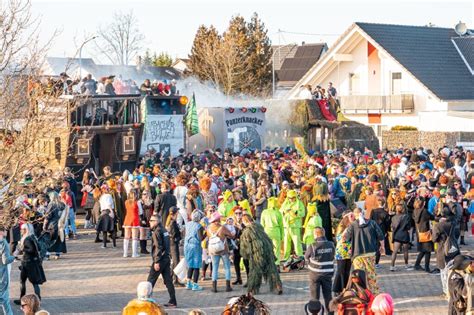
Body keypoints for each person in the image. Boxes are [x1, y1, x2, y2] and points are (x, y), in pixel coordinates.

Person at [240, 213, 283, 295]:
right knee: (272, 269)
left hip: (257, 253)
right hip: (268, 250)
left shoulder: (247, 231)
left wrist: (245, 255)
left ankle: (252, 290)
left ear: (244, 221)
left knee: (255, 271)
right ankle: (278, 287)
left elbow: (244, 247)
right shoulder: (259, 226)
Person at [344, 207, 384, 294]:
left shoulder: (353, 225)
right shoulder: (372, 223)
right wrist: (382, 247)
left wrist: (350, 223)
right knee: (371, 274)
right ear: (363, 213)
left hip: (357, 254)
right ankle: (374, 293)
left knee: (359, 275)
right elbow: (380, 235)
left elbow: (346, 238)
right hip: (371, 253)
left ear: (354, 215)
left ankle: (361, 293)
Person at [146, 215, 177, 308]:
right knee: (168, 281)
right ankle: (173, 301)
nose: (149, 222)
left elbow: (158, 247)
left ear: (156, 221)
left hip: (160, 259)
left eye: (151, 220)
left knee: (150, 280)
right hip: (166, 258)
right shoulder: (164, 230)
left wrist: (156, 261)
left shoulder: (157, 232)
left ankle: (145, 300)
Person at [433, 205, 461, 299]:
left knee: (443, 272)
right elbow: (457, 234)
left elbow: (434, 239)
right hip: (453, 248)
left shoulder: (438, 225)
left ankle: (446, 292)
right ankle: (453, 289)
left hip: (442, 250)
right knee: (453, 270)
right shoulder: (453, 223)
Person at [305, 227, 335, 314]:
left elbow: (306, 257)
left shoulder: (312, 245)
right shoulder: (331, 244)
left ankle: (315, 312)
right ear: (324, 234)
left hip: (315, 274)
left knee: (315, 297)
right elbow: (333, 255)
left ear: (316, 234)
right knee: (328, 296)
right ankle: (330, 313)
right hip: (328, 274)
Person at [14, 224, 46, 304]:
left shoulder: (27, 239)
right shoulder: (33, 237)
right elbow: (38, 248)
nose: (21, 230)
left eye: (22, 229)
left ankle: (24, 299)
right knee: (32, 282)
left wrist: (22, 248)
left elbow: (32, 250)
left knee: (24, 281)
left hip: (28, 263)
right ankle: (37, 299)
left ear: (26, 230)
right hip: (32, 263)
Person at [207, 211, 234, 293]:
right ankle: (227, 286)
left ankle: (214, 287)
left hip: (213, 250)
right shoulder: (222, 228)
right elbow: (231, 235)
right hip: (223, 250)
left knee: (215, 268)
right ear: (218, 219)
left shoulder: (208, 228)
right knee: (227, 267)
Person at [333, 211, 354, 295]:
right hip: (341, 251)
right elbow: (340, 239)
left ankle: (345, 287)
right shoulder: (341, 227)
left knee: (347, 271)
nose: (353, 218)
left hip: (349, 251)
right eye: (351, 217)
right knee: (340, 271)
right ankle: (336, 289)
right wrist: (347, 230)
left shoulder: (351, 226)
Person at [280, 190, 306, 261]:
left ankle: (300, 257)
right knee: (286, 243)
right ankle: (286, 258)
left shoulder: (299, 203)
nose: (291, 199)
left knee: (297, 242)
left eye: (293, 197)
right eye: (289, 198)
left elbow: (303, 213)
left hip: (295, 226)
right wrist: (284, 211)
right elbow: (280, 211)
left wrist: (295, 213)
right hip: (286, 226)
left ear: (295, 197)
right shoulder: (285, 203)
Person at [184, 210, 205, 291]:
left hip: (187, 245)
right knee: (196, 266)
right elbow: (201, 238)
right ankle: (195, 284)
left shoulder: (188, 224)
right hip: (195, 246)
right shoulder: (199, 226)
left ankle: (188, 283)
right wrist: (205, 234)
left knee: (190, 265)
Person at [260, 196, 284, 265]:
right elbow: (281, 225)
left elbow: (262, 224)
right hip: (276, 232)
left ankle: (268, 264)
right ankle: (276, 264)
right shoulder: (278, 212)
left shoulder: (264, 212)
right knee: (277, 250)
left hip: (267, 232)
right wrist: (282, 236)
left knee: (267, 249)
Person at [413, 197, 434, 272]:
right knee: (428, 250)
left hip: (419, 233)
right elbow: (432, 217)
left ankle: (417, 264)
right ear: (423, 203)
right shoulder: (425, 211)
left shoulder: (415, 211)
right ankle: (427, 268)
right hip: (425, 233)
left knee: (423, 250)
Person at [390, 204, 413, 271]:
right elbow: (409, 227)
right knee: (405, 251)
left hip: (397, 235)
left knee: (394, 251)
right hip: (405, 234)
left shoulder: (393, 217)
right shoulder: (407, 217)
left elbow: (392, 227)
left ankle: (392, 265)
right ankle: (406, 264)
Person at [166, 206, 184, 286]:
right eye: (177, 212)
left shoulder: (170, 221)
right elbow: (173, 235)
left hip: (172, 244)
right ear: (175, 213)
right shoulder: (172, 223)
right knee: (176, 262)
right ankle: (175, 280)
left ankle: (172, 278)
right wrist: (180, 234)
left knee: (174, 262)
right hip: (173, 244)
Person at [1, 225, 15, 315]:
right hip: (1, 275)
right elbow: (5, 260)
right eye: (5, 230)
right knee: (5, 300)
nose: (7, 232)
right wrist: (13, 257)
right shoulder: (3, 242)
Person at [123, 190, 141, 258]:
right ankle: (134, 253)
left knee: (126, 237)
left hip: (127, 219)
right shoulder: (137, 202)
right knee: (134, 237)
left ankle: (125, 253)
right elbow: (141, 212)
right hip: (135, 219)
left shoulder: (126, 202)